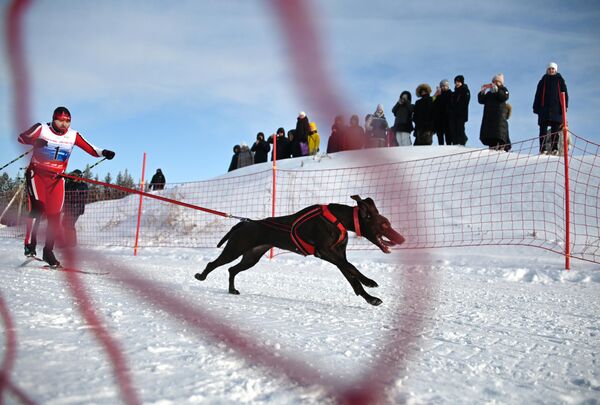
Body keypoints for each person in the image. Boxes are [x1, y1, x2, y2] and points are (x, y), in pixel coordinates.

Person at [17, 106, 115, 267]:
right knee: (38, 208)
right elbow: (22, 138)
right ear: (53, 119)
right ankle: (30, 245)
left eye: (67, 121)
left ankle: (48, 252)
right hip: (37, 175)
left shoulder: (73, 135)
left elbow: (91, 148)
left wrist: (104, 152)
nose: (64, 124)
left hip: (57, 179)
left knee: (55, 216)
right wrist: (35, 141)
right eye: (60, 120)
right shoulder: (41, 128)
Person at [533, 62, 569, 155]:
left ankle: (554, 149)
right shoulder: (543, 81)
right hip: (544, 109)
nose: (551, 70)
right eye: (549, 69)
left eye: (553, 69)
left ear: (556, 70)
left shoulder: (560, 80)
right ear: (547, 70)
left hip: (556, 109)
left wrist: (565, 106)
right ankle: (542, 149)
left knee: (555, 130)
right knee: (543, 130)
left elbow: (565, 94)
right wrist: (536, 107)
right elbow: (538, 95)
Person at [478, 74, 510, 151]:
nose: (495, 83)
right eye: (493, 82)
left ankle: (502, 147)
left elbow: (504, 97)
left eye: (497, 81)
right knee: (490, 134)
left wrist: (497, 91)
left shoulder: (504, 90)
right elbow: (481, 100)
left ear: (501, 83)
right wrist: (482, 92)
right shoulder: (489, 93)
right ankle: (492, 147)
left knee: (498, 133)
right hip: (489, 116)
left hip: (499, 116)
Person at [61, 169, 88, 247]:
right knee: (64, 224)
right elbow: (65, 187)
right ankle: (69, 241)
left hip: (77, 208)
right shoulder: (69, 184)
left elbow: (81, 195)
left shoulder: (82, 185)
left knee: (69, 224)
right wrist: (66, 178)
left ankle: (71, 243)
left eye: (75, 176)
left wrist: (76, 181)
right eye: (73, 176)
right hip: (68, 208)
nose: (74, 177)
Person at [449, 75, 470, 145]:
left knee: (460, 129)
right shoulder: (454, 92)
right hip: (454, 115)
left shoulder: (465, 90)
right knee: (454, 130)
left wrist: (459, 110)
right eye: (455, 82)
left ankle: (462, 143)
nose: (457, 83)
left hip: (461, 114)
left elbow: (465, 102)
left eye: (458, 82)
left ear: (462, 82)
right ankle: (455, 143)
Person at [433, 79, 452, 145]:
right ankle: (440, 147)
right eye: (442, 86)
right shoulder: (438, 95)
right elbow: (431, 102)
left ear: (448, 86)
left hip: (447, 117)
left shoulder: (451, 94)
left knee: (448, 134)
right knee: (439, 135)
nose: (443, 87)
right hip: (439, 118)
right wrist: (436, 94)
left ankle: (449, 146)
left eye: (445, 86)